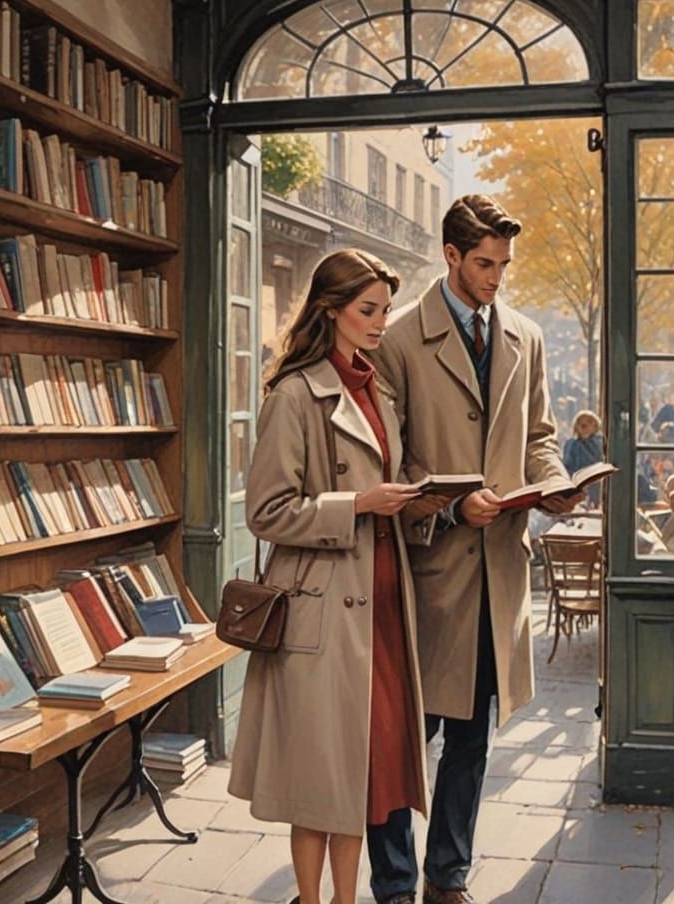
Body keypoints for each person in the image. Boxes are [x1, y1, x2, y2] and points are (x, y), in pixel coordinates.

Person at [369, 194, 573, 904]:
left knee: (472, 737)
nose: (496, 277)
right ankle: (393, 883)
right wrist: (452, 505)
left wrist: (552, 484)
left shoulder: (525, 335)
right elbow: (382, 466)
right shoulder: (395, 340)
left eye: (504, 264)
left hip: (497, 574)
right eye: (484, 263)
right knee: (400, 742)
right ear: (451, 256)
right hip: (426, 573)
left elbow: (540, 434)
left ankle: (447, 876)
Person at [228, 249, 434, 904]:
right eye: (368, 310)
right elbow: (265, 512)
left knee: (366, 774)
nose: (380, 322)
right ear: (331, 309)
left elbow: (384, 484)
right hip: (322, 611)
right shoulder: (294, 395)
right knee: (320, 779)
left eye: (385, 309)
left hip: (381, 603)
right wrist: (357, 505)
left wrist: (419, 503)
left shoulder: (380, 391)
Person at [563, 410, 604, 506]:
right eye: (580, 423)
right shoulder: (571, 444)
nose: (584, 425)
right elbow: (567, 463)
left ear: (595, 426)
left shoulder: (599, 443)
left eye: (589, 422)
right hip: (575, 481)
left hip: (595, 482)